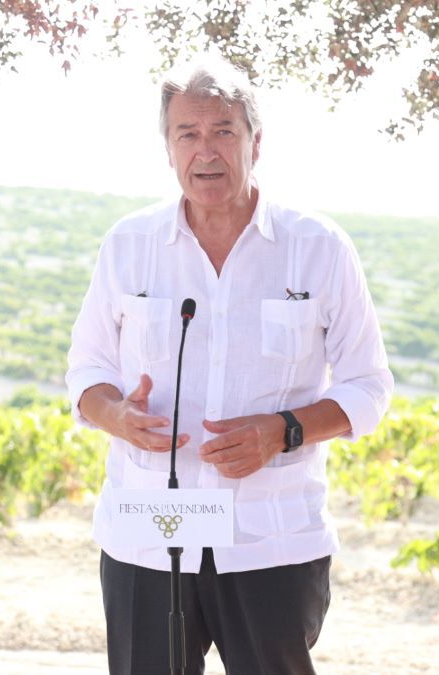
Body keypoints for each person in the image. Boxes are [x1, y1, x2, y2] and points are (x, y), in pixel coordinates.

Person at [64, 56, 392, 675]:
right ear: (167, 148)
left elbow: (368, 386)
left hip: (270, 539)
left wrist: (283, 430)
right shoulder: (128, 245)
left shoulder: (318, 248)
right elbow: (85, 370)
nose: (205, 150)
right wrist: (115, 413)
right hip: (149, 536)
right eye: (187, 133)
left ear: (256, 142)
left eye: (223, 131)